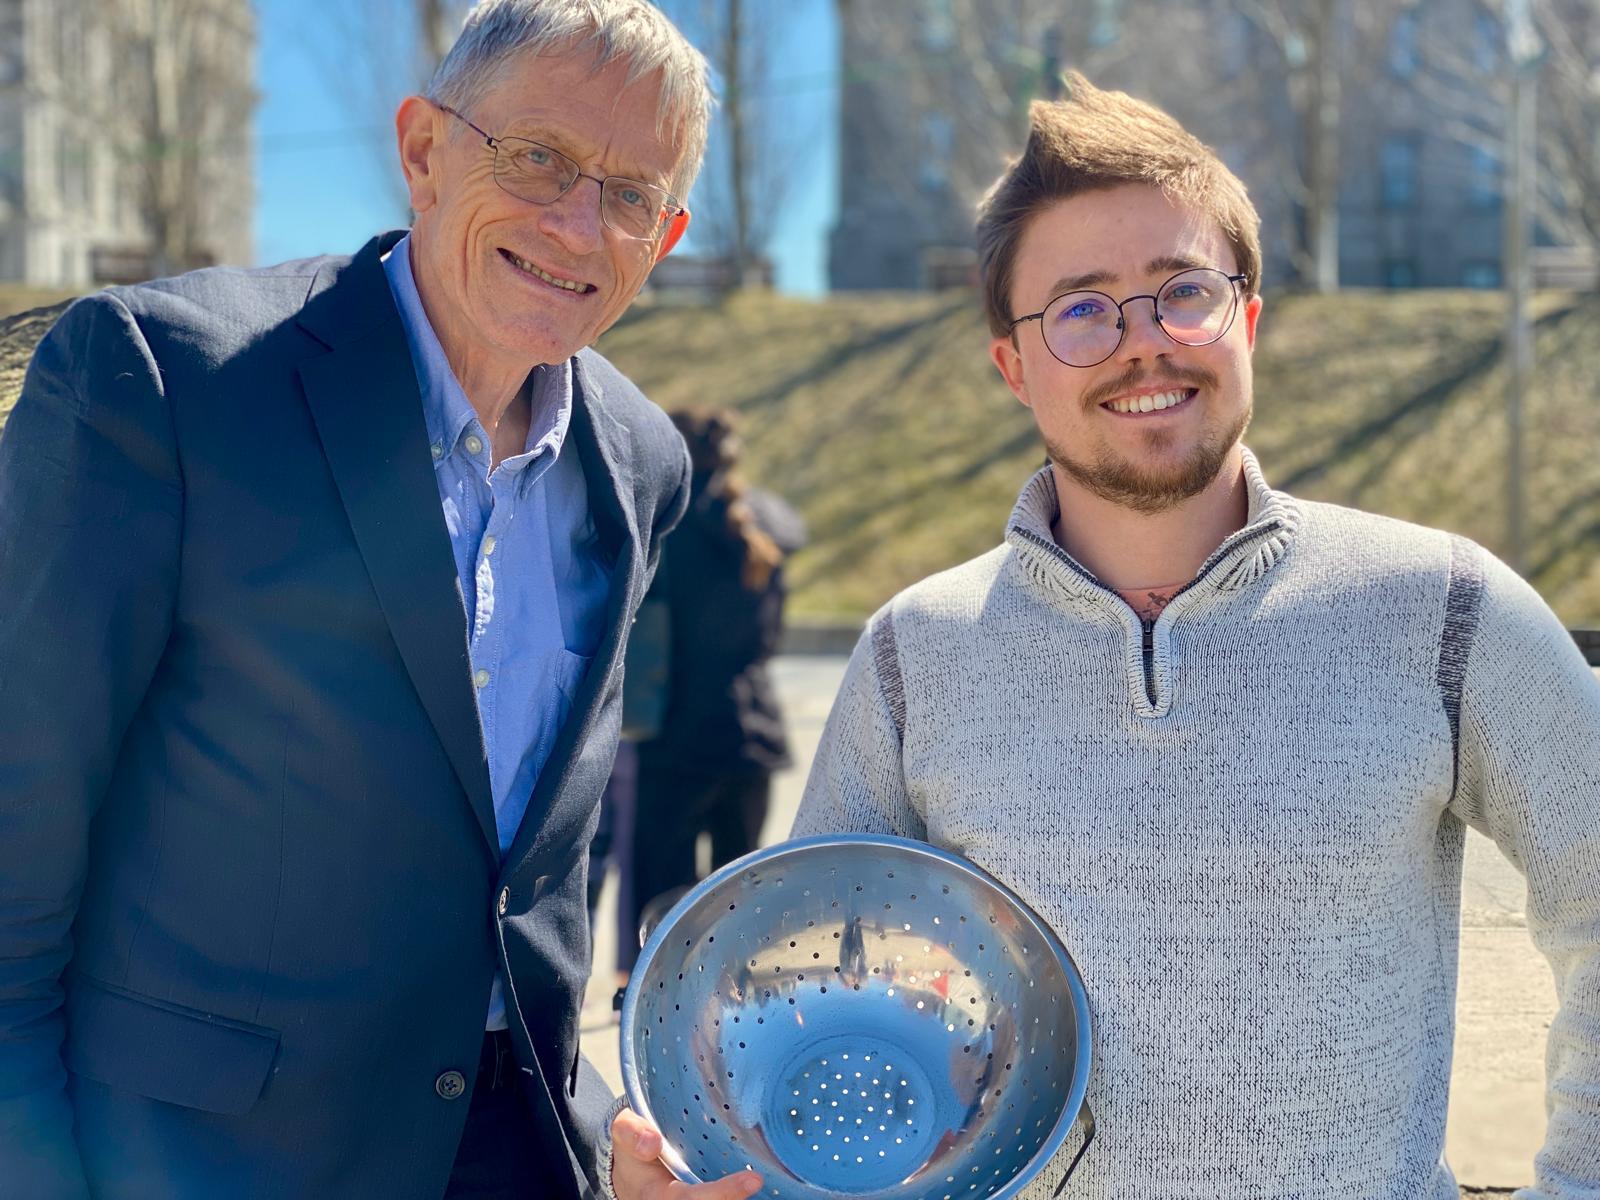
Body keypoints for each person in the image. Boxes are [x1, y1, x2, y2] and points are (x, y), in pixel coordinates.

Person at [0, 4, 760, 1200]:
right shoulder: (165, 382)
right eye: (540, 159)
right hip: (205, 1161)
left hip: (513, 1161)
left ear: (660, 238)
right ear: (422, 150)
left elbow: (532, 879)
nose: (576, 224)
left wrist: (598, 1114)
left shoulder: (640, 461)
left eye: (627, 195)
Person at [791, 74, 1600, 1198]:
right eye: (1080, 309)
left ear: (1247, 320)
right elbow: (810, 995)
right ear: (1013, 367)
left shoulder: (1446, 610)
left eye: (1183, 292)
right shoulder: (911, 655)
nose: (1144, 345)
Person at [627, 409, 805, 950]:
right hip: (752, 732)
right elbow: (770, 638)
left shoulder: (666, 525)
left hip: (675, 732)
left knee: (665, 906)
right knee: (743, 902)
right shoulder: (762, 525)